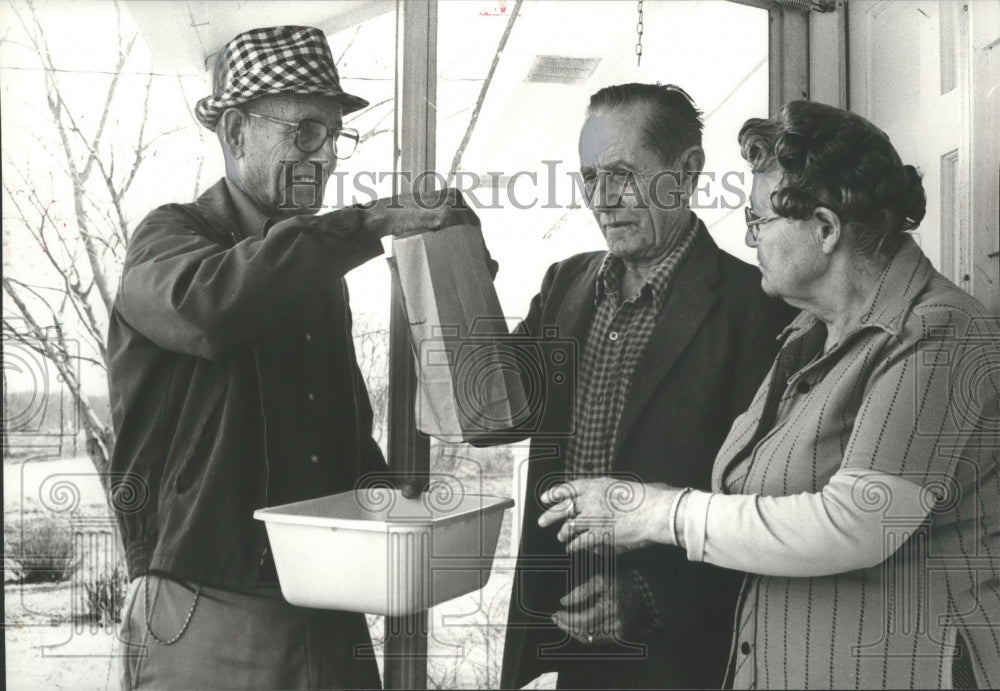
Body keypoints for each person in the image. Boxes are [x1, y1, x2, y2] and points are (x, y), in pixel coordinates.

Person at [540, 100, 1000, 689]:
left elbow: (857, 523)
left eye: (758, 221)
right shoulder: (807, 335)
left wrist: (656, 513)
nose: (748, 236)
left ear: (825, 229)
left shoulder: (941, 332)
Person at [107, 25, 476, 690]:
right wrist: (370, 222)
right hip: (207, 604)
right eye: (306, 132)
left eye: (334, 135)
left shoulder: (317, 271)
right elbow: (209, 309)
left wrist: (400, 511)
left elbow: (342, 426)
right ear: (235, 133)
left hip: (325, 599)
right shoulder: (170, 238)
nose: (326, 155)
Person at [498, 83, 795, 690]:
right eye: (589, 178)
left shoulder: (758, 309)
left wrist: (652, 595)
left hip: (685, 652)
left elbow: (771, 510)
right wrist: (448, 268)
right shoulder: (563, 285)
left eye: (621, 175)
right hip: (571, 636)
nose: (601, 200)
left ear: (686, 173)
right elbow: (490, 415)